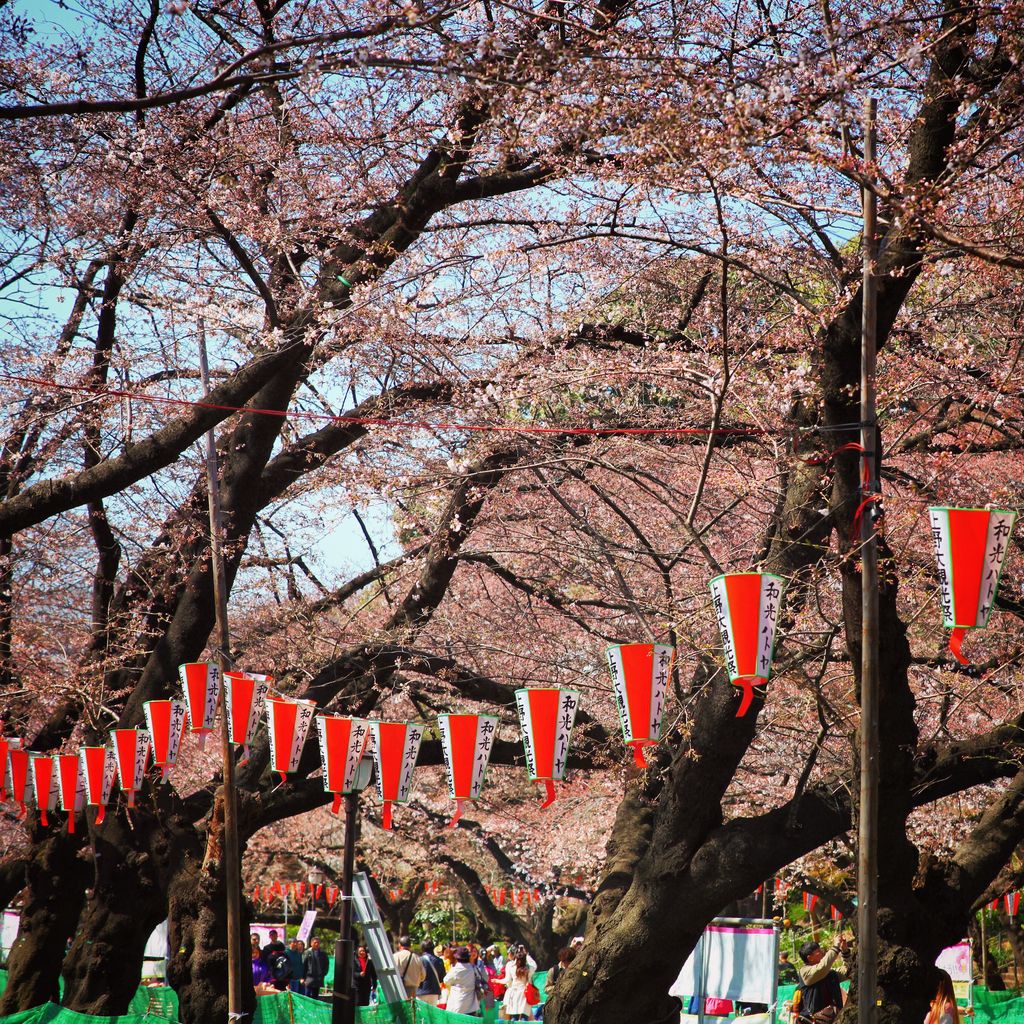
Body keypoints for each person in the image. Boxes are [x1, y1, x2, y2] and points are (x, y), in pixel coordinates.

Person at [796, 936, 849, 1023]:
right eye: (818, 951)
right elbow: (822, 967)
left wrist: (845, 951)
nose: (823, 953)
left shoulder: (829, 973)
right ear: (810, 958)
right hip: (813, 1021)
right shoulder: (805, 972)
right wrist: (836, 947)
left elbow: (848, 971)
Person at [502, 948, 536, 1021]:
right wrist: (527, 955)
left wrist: (497, 981)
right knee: (524, 1017)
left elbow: (507, 979)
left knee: (514, 1017)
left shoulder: (511, 967)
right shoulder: (528, 969)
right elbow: (534, 965)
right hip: (525, 994)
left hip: (514, 993)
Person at [443, 946, 479, 1015]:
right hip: (471, 1004)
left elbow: (446, 981)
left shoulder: (456, 969)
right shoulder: (472, 968)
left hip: (457, 1004)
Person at [395, 935, 426, 1000]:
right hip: (413, 990)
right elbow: (423, 975)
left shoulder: (395, 956)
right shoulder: (416, 957)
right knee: (411, 1006)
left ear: (399, 945)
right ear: (410, 946)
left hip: (399, 989)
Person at [418, 939, 445, 1006]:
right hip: (434, 991)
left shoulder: (419, 960)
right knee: (432, 1012)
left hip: (421, 991)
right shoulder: (439, 961)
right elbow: (442, 978)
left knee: (422, 1012)